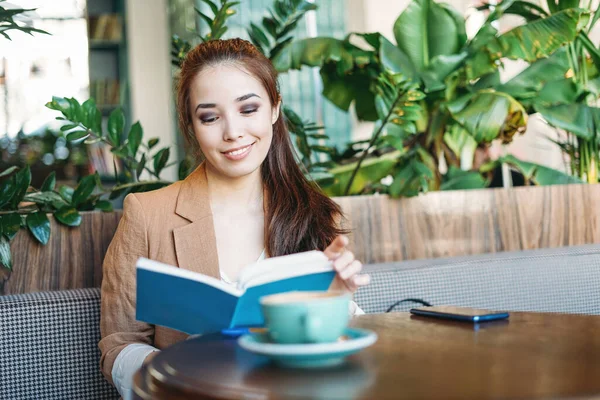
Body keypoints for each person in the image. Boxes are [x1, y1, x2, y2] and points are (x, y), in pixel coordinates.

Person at [99, 38, 371, 399]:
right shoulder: (147, 215)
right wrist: (187, 375)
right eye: (210, 117)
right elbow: (119, 345)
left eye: (248, 109)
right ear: (191, 125)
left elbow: (347, 352)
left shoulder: (313, 213)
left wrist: (337, 300)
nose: (232, 132)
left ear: (275, 108)